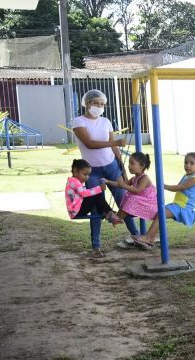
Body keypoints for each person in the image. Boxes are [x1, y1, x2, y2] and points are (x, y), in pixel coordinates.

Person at [71, 89, 137, 254]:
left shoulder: (106, 121)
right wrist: (114, 142)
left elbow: (113, 145)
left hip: (111, 166)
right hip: (91, 171)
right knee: (96, 206)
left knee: (124, 201)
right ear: (88, 104)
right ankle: (96, 246)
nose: (99, 107)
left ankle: (137, 236)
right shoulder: (78, 121)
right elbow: (90, 144)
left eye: (102, 104)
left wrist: (121, 164)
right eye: (96, 103)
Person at [132, 152, 195, 249]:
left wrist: (164, 186)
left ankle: (148, 237)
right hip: (177, 205)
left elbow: (180, 187)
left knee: (161, 213)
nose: (188, 165)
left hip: (183, 208)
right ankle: (151, 238)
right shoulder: (187, 175)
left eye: (191, 163)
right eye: (186, 162)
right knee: (160, 213)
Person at [65, 159, 122, 252]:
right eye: (84, 174)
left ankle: (108, 213)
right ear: (75, 171)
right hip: (77, 211)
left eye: (88, 175)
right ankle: (109, 214)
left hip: (77, 209)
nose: (87, 178)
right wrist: (99, 188)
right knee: (97, 194)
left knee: (96, 196)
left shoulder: (73, 181)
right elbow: (83, 193)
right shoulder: (74, 182)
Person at [102, 152, 158, 225]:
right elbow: (120, 185)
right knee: (127, 196)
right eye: (129, 163)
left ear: (141, 166)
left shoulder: (144, 178)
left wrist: (123, 186)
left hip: (151, 205)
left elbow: (138, 190)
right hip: (142, 203)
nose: (129, 166)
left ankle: (117, 218)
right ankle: (117, 217)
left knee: (131, 198)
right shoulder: (134, 178)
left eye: (132, 163)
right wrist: (108, 181)